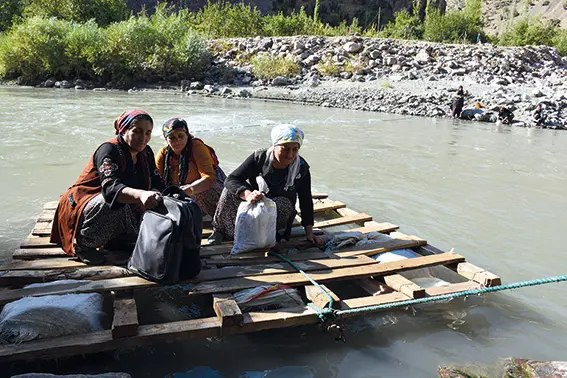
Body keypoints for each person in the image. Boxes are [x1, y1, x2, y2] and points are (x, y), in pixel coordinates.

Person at [50, 110, 165, 265]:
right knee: (115, 202)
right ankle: (84, 244)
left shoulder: (146, 153)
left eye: (147, 133)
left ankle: (117, 239)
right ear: (124, 130)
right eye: (137, 131)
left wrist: (156, 192)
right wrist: (141, 195)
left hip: (125, 203)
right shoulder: (109, 150)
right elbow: (111, 189)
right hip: (84, 202)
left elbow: (157, 181)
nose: (143, 138)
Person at [208, 124, 318, 246]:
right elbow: (231, 179)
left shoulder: (301, 168)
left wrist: (309, 232)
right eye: (285, 149)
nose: (290, 154)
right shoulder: (259, 157)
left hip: (277, 211)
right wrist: (247, 194)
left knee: (284, 203)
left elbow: (306, 200)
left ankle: (267, 237)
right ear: (275, 146)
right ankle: (220, 231)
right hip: (254, 201)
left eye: (295, 149)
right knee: (228, 191)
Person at [156, 117, 226, 217]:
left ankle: (218, 219)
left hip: (208, 189)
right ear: (166, 139)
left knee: (201, 193)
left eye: (181, 136)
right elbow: (156, 179)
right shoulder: (163, 153)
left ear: (187, 135)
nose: (177, 141)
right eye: (172, 138)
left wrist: (190, 189)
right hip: (184, 193)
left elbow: (209, 179)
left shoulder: (197, 147)